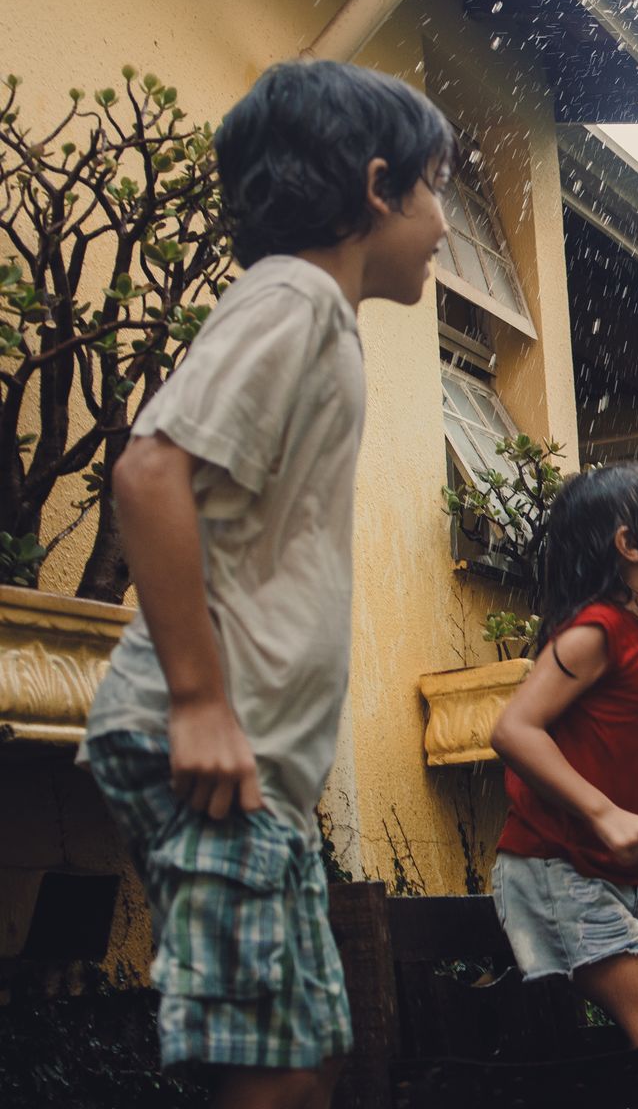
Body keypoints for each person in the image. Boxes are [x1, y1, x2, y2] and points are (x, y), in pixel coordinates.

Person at [78, 58, 454, 1108]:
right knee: (273, 1076)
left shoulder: (314, 318)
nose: (445, 225)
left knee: (310, 1056)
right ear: (378, 187)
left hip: (257, 767)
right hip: (207, 739)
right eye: (437, 189)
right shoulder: (294, 297)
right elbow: (149, 471)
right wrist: (200, 700)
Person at [489, 461, 638, 1047]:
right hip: (557, 865)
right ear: (630, 545)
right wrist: (605, 814)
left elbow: (579, 726)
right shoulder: (596, 630)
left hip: (608, 876)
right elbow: (514, 729)